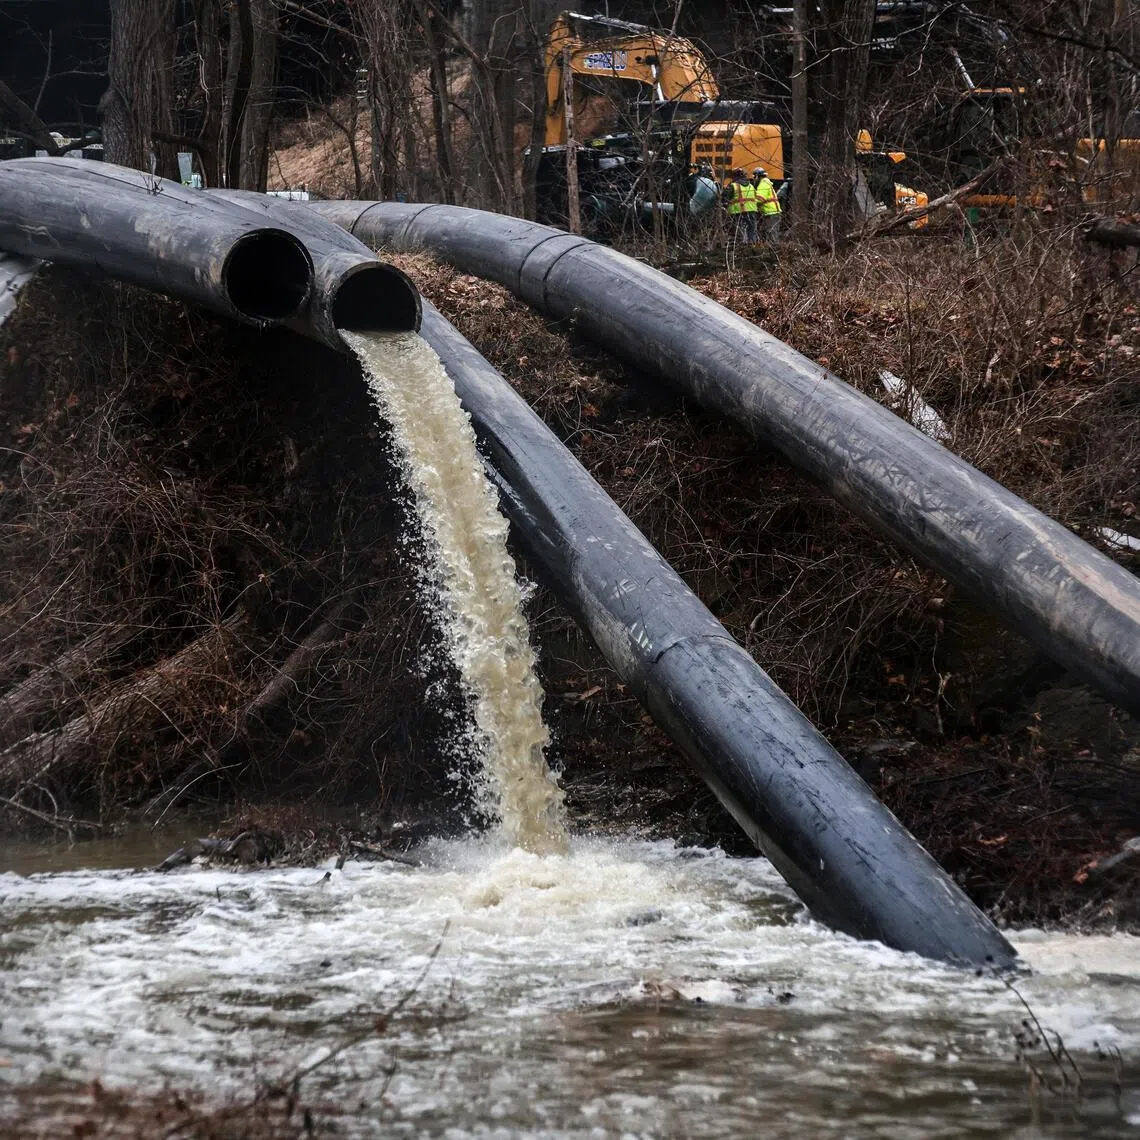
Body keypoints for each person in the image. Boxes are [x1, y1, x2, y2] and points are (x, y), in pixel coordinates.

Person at [723, 168, 758, 244]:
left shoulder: (733, 186)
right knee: (751, 229)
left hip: (738, 211)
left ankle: (742, 246)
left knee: (740, 231)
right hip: (752, 210)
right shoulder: (751, 185)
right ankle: (752, 245)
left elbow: (724, 197)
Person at [752, 166, 782, 247]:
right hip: (771, 213)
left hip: (771, 213)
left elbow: (760, 199)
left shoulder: (763, 184)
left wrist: (750, 204)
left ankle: (775, 253)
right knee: (769, 233)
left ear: (757, 176)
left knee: (772, 235)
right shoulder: (765, 183)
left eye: (754, 177)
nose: (754, 179)